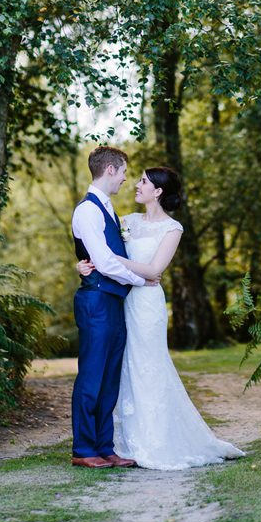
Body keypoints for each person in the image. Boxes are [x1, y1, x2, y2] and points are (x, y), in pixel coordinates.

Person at [76, 164, 245, 470]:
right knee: (123, 369)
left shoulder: (172, 228)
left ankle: (156, 440)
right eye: (136, 178)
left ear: (158, 192)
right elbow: (92, 246)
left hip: (148, 304)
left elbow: (155, 271)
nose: (135, 184)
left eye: (142, 181)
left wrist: (110, 259)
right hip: (121, 300)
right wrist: (84, 264)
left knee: (149, 365)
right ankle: (120, 442)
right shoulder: (124, 220)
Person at [70, 145, 150, 469]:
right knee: (91, 377)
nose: (127, 179)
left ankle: (105, 446)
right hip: (96, 301)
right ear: (111, 170)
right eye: (125, 172)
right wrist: (142, 280)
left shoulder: (111, 212)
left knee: (110, 379)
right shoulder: (87, 210)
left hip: (114, 301)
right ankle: (84, 450)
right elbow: (102, 262)